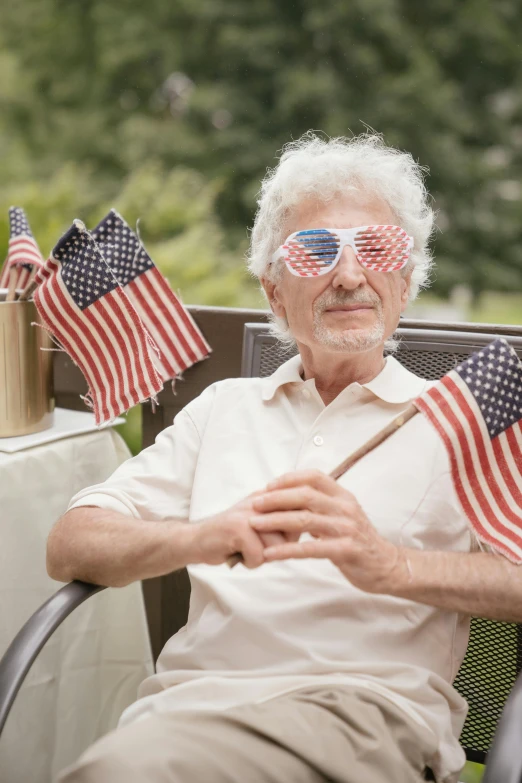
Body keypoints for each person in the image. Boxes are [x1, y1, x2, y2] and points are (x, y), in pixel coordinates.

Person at [49, 132, 522, 783]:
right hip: (193, 713)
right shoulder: (225, 407)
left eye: (377, 249)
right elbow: (70, 544)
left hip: (361, 719)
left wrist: (390, 565)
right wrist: (201, 535)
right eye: (316, 251)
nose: (350, 275)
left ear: (406, 281)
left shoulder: (462, 425)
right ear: (274, 291)